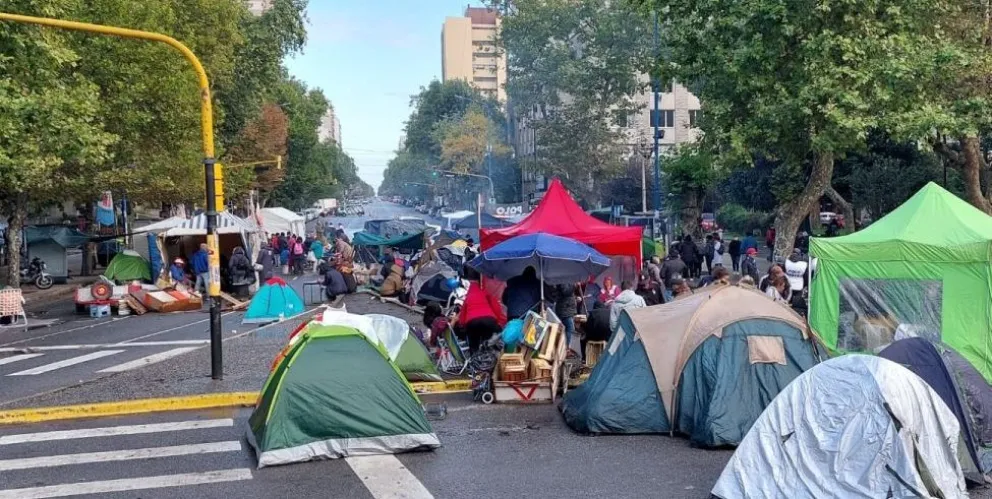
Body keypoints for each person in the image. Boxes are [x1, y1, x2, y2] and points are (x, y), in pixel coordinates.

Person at [457, 282, 506, 354]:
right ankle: (489, 354)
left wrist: (462, 325)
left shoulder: (468, 297)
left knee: (474, 343)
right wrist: (498, 320)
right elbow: (496, 307)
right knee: (488, 340)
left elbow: (462, 315)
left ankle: (474, 357)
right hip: (489, 320)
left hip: (472, 323)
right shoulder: (485, 293)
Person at [552, 283, 578, 351]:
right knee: (570, 329)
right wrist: (574, 285)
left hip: (566, 308)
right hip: (565, 309)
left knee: (568, 329)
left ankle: (564, 348)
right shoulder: (564, 279)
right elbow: (566, 291)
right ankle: (566, 349)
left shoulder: (566, 279)